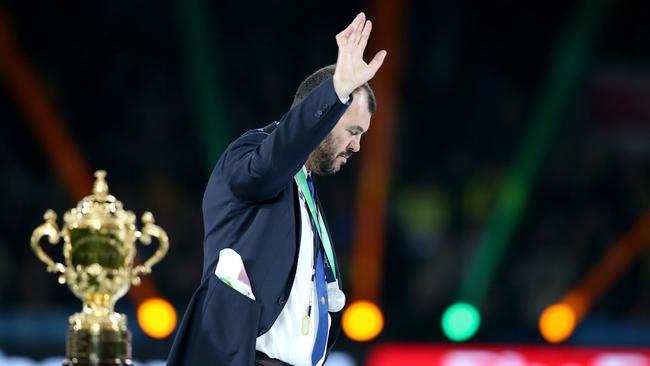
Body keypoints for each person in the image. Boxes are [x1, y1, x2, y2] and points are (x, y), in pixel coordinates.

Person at [167, 12, 386, 366]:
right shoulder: (250, 156)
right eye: (353, 130)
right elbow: (271, 164)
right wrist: (337, 92)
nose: (356, 146)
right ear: (321, 113)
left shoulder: (304, 188)